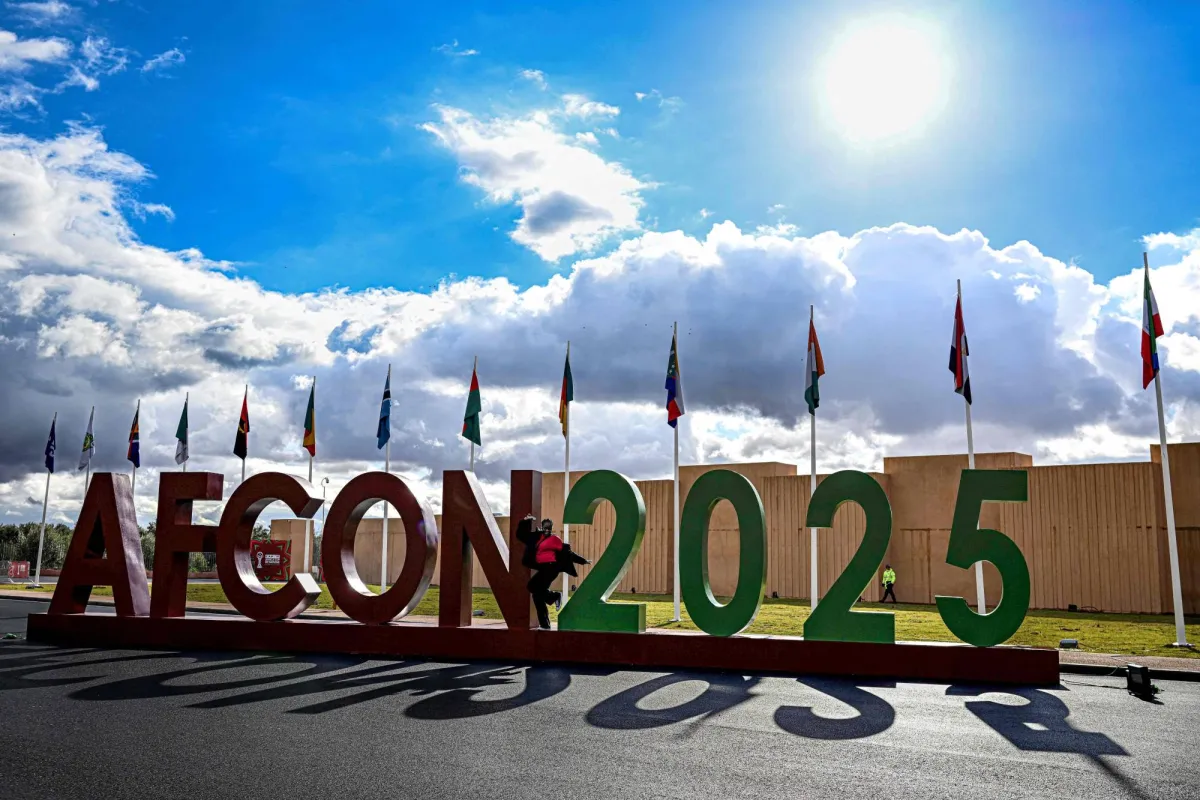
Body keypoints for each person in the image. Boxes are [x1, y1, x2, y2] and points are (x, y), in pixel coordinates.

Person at [519, 515, 589, 629]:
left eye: (549, 528)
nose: (547, 530)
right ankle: (545, 624)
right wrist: (525, 521)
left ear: (551, 528)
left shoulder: (555, 539)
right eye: (545, 528)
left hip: (551, 568)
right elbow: (521, 535)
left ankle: (555, 596)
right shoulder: (537, 537)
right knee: (537, 595)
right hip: (542, 568)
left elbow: (568, 553)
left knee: (531, 586)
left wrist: (582, 561)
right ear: (542, 527)